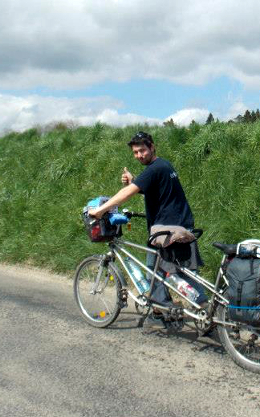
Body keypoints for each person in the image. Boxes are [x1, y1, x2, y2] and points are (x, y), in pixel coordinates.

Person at [88, 131, 207, 309]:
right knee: (164, 272)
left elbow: (126, 194)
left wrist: (100, 210)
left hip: (168, 231)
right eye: (135, 152)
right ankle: (164, 309)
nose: (139, 155)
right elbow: (155, 189)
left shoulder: (154, 169)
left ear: (152, 147)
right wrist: (134, 181)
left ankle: (197, 307)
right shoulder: (164, 166)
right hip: (180, 225)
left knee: (167, 274)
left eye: (142, 150)